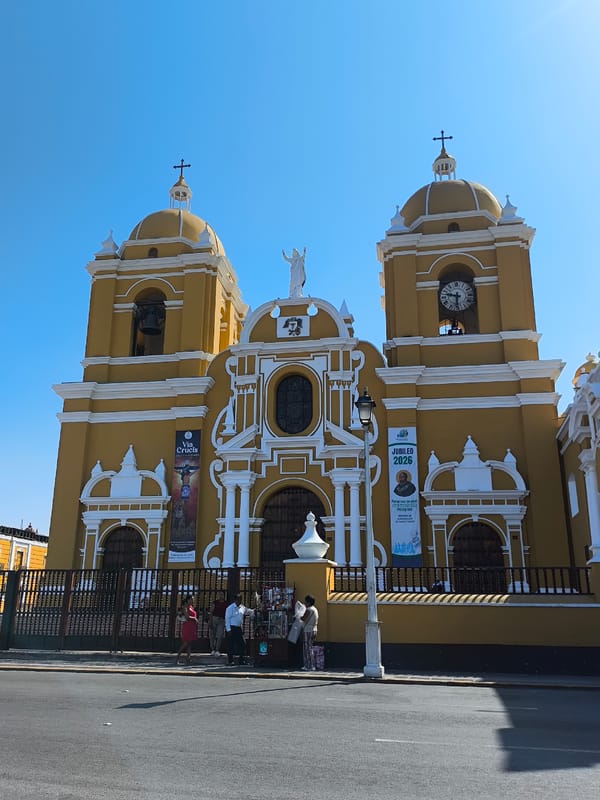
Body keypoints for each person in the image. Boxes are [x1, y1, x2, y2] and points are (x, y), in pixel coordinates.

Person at [225, 593, 249, 666]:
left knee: (242, 644)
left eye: (240, 599)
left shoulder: (242, 607)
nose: (239, 601)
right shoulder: (230, 608)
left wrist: (254, 611)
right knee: (230, 645)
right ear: (235, 600)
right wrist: (228, 630)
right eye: (238, 599)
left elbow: (248, 611)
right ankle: (230, 661)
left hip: (238, 628)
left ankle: (241, 660)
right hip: (232, 628)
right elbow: (227, 619)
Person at [176, 595, 198, 665]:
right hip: (187, 626)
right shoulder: (185, 607)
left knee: (189, 643)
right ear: (188, 600)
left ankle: (188, 658)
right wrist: (194, 618)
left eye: (193, 599)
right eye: (191, 599)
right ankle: (177, 658)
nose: (192, 601)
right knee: (185, 642)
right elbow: (187, 617)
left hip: (192, 626)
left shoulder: (191, 607)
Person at [301, 595, 319, 671]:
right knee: (310, 647)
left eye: (306, 601)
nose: (305, 602)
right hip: (314, 630)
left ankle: (308, 665)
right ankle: (312, 665)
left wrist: (299, 614)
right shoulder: (315, 609)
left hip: (308, 630)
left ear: (308, 602)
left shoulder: (309, 610)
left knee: (307, 649)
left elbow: (303, 618)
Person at [208, 589, 227, 656]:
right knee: (212, 635)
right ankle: (212, 649)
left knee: (220, 635)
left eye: (222, 594)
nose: (220, 596)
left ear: (224, 595)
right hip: (214, 619)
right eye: (219, 594)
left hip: (221, 620)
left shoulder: (225, 603)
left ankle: (217, 649)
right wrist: (210, 621)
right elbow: (211, 612)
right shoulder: (215, 602)